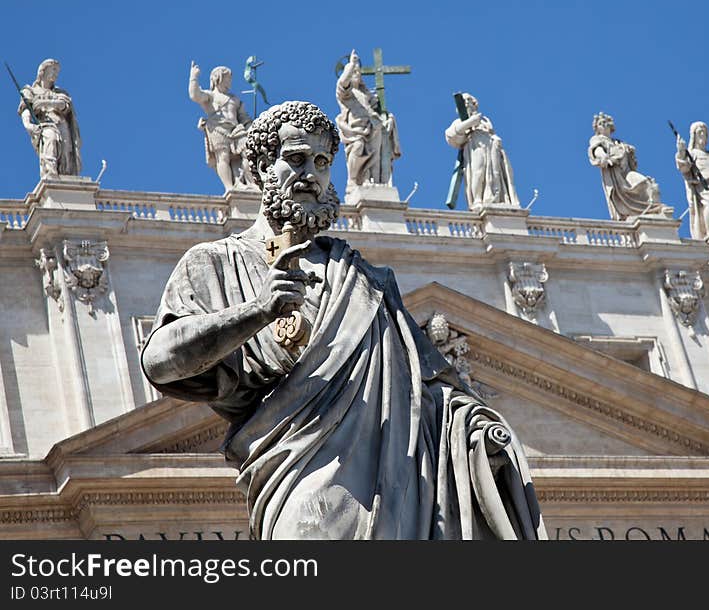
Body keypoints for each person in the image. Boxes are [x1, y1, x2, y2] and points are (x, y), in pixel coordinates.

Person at [141, 100, 545, 541]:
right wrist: (256, 311)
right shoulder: (216, 263)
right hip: (297, 480)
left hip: (399, 487)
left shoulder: (365, 279)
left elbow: (433, 390)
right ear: (259, 167)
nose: (310, 175)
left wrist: (475, 431)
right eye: (295, 159)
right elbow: (160, 361)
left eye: (321, 162)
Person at [335, 50, 401, 198]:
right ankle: (354, 181)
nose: (357, 74)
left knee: (375, 160)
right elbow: (342, 83)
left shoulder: (365, 94)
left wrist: (387, 118)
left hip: (373, 129)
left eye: (358, 72)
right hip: (356, 131)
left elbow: (376, 110)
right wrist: (351, 65)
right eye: (354, 73)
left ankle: (372, 181)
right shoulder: (347, 94)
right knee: (358, 148)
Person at [445, 93, 519, 210]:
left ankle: (496, 198)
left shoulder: (484, 120)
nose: (467, 103)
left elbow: (491, 134)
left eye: (469, 100)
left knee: (495, 173)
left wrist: (494, 136)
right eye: (464, 101)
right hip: (475, 146)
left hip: (491, 147)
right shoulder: (460, 121)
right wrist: (470, 122)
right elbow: (451, 135)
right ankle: (477, 200)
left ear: (474, 103)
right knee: (478, 172)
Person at [588, 112, 668, 220]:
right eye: (601, 123)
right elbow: (596, 149)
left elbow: (631, 160)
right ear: (597, 128)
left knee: (646, 183)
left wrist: (629, 151)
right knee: (624, 195)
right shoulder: (597, 139)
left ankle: (654, 210)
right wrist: (603, 157)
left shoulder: (618, 142)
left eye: (606, 122)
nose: (604, 125)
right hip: (615, 174)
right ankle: (638, 214)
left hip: (626, 171)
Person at [189, 61, 255, 191]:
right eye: (227, 79)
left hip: (237, 130)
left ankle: (250, 182)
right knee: (223, 157)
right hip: (218, 128)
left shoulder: (234, 99)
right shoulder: (210, 96)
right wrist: (194, 77)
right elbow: (194, 95)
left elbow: (244, 118)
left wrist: (252, 128)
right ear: (218, 78)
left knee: (248, 153)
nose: (229, 82)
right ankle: (229, 187)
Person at [18, 58, 82, 178]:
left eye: (57, 72)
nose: (55, 74)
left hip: (62, 124)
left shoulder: (60, 92)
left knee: (66, 155)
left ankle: (67, 181)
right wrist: (28, 125)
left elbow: (65, 105)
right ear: (43, 71)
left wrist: (45, 103)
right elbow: (25, 109)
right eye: (53, 70)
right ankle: (50, 174)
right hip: (45, 125)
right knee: (51, 140)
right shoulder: (30, 91)